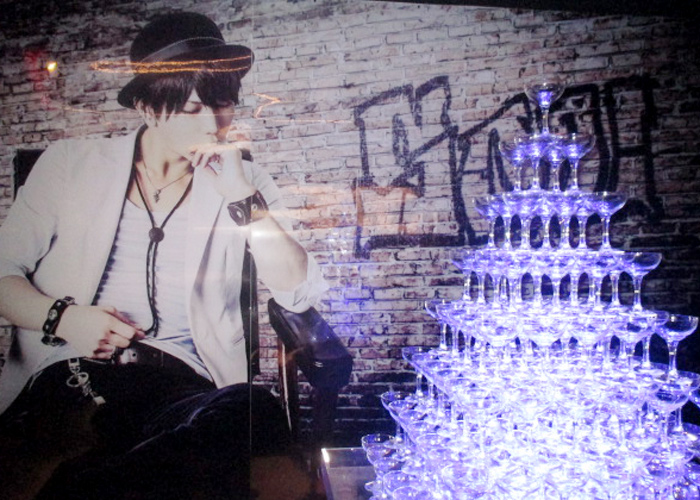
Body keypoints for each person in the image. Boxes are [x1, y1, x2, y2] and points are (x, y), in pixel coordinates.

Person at [0, 11, 327, 499]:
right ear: (149, 107)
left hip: (182, 390)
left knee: (251, 408)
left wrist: (240, 196)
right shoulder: (72, 165)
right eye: (193, 108)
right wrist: (65, 318)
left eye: (223, 104)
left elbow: (297, 292)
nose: (214, 124)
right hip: (74, 379)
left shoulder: (245, 182)